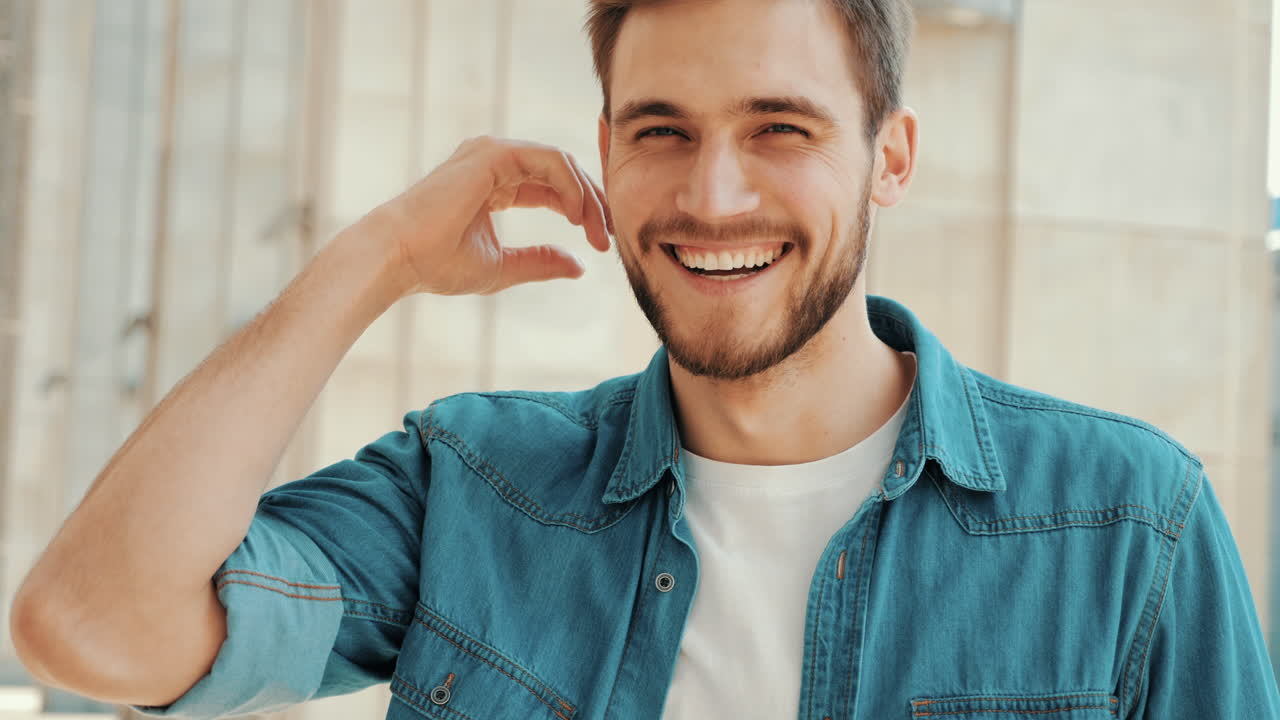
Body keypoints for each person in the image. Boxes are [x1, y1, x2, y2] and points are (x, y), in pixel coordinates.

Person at [12, 0, 1280, 717]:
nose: (711, 195)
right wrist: (383, 254)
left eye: (778, 127)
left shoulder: (1127, 528)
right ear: (605, 151)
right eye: (661, 130)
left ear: (889, 156)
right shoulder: (474, 486)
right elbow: (88, 625)